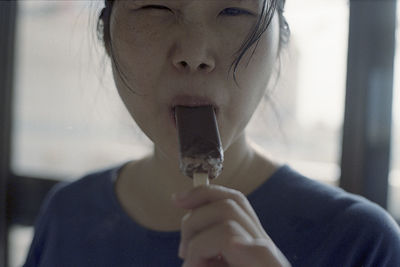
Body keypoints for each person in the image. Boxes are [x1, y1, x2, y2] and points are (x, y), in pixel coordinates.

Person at [24, 0, 400, 266]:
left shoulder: (361, 244)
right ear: (106, 33)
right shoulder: (66, 215)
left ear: (281, 41)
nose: (195, 52)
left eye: (234, 10)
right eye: (157, 7)